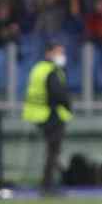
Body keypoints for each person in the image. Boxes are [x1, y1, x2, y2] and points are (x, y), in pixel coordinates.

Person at [22, 42, 72, 196]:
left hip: (38, 114)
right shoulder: (51, 71)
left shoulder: (38, 69)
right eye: (58, 52)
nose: (61, 56)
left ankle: (49, 183)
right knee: (53, 152)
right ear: (49, 53)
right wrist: (68, 105)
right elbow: (58, 94)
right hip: (50, 115)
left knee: (52, 152)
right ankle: (48, 185)